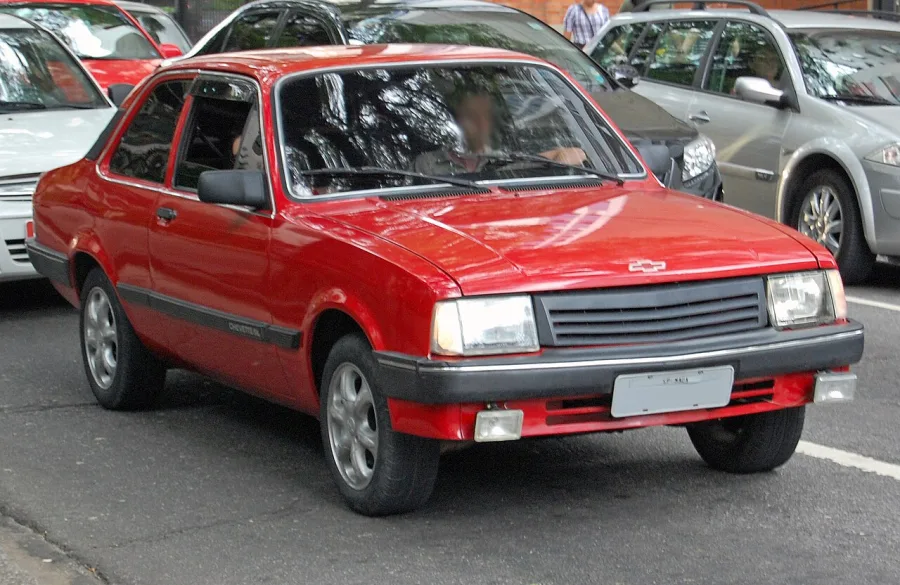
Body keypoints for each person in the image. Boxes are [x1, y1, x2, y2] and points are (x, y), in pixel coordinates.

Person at [414, 89, 586, 175]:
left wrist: (557, 161)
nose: (480, 124)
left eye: (484, 117)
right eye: (471, 116)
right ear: (457, 122)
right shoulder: (428, 163)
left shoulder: (505, 160)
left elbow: (576, 154)